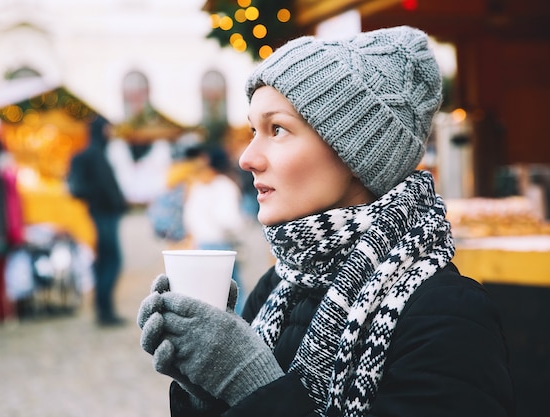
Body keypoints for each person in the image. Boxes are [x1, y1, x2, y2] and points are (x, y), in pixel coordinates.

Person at [137, 26, 515, 417]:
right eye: (253, 130)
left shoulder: (449, 316)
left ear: (356, 152)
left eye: (277, 129)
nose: (247, 158)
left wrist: (249, 378)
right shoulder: (275, 287)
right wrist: (203, 387)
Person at [68, 115, 128, 327]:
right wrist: (102, 197)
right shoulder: (88, 156)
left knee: (108, 263)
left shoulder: (99, 155)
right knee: (109, 263)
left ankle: (105, 310)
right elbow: (76, 188)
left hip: (106, 215)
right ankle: (104, 311)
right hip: (100, 215)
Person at [182, 145, 247, 313]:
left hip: (200, 244)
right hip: (221, 245)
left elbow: (189, 216)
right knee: (233, 293)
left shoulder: (197, 185)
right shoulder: (225, 185)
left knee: (206, 294)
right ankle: (240, 326)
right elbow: (228, 219)